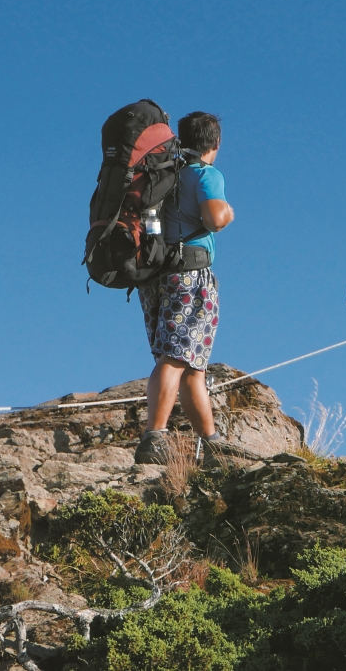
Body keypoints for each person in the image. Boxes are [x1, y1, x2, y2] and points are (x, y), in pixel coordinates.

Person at [134, 111, 249, 465]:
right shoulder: (204, 173)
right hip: (190, 275)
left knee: (191, 363)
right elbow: (214, 217)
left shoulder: (165, 176)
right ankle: (154, 437)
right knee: (176, 356)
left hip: (156, 276)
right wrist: (228, 213)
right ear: (216, 143)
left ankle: (212, 443)